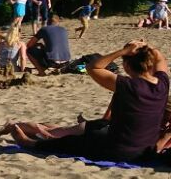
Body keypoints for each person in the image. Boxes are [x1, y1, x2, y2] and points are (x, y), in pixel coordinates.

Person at [11, 41, 169, 162]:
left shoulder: (126, 85)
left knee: (71, 142)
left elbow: (93, 67)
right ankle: (39, 134)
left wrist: (124, 51)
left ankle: (29, 143)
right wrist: (147, 48)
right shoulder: (162, 84)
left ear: (127, 65)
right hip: (146, 152)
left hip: (119, 150)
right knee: (92, 130)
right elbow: (161, 60)